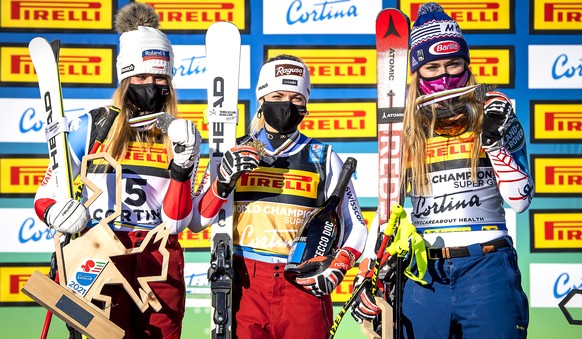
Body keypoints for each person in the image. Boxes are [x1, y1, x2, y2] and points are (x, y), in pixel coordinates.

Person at [350, 3, 533, 338]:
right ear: (418, 72)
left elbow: (520, 201)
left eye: (454, 63)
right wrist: (368, 273)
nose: (445, 75)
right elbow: (389, 206)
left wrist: (494, 144)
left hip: (487, 266)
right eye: (432, 67)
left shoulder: (493, 112)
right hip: (424, 273)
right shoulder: (403, 127)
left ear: (466, 63)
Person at [33, 2, 201, 338]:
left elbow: (179, 221)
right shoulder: (93, 126)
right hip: (99, 249)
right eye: (141, 76)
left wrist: (183, 167)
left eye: (159, 77)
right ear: (125, 78)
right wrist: (55, 212)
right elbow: (45, 194)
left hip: (158, 254)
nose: (151, 85)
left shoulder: (179, 134)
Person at [189, 54, 368, 338]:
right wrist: (222, 180)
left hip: (302, 282)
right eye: (278, 95)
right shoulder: (231, 151)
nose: (287, 104)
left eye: (297, 98)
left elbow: (355, 223)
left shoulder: (324, 156)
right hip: (246, 282)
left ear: (306, 103)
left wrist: (341, 262)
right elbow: (196, 221)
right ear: (261, 98)